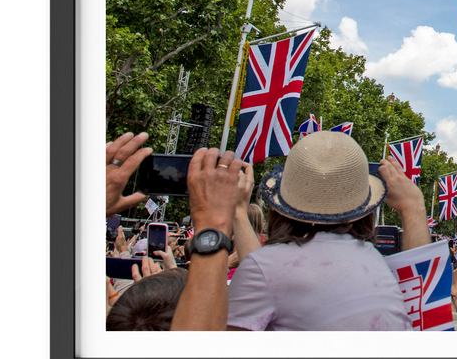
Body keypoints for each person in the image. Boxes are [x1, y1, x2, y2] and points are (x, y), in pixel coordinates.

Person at [174, 131, 431, 331]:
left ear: (281, 203)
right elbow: (425, 308)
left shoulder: (267, 269)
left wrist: (212, 224)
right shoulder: (375, 261)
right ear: (365, 208)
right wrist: (414, 209)